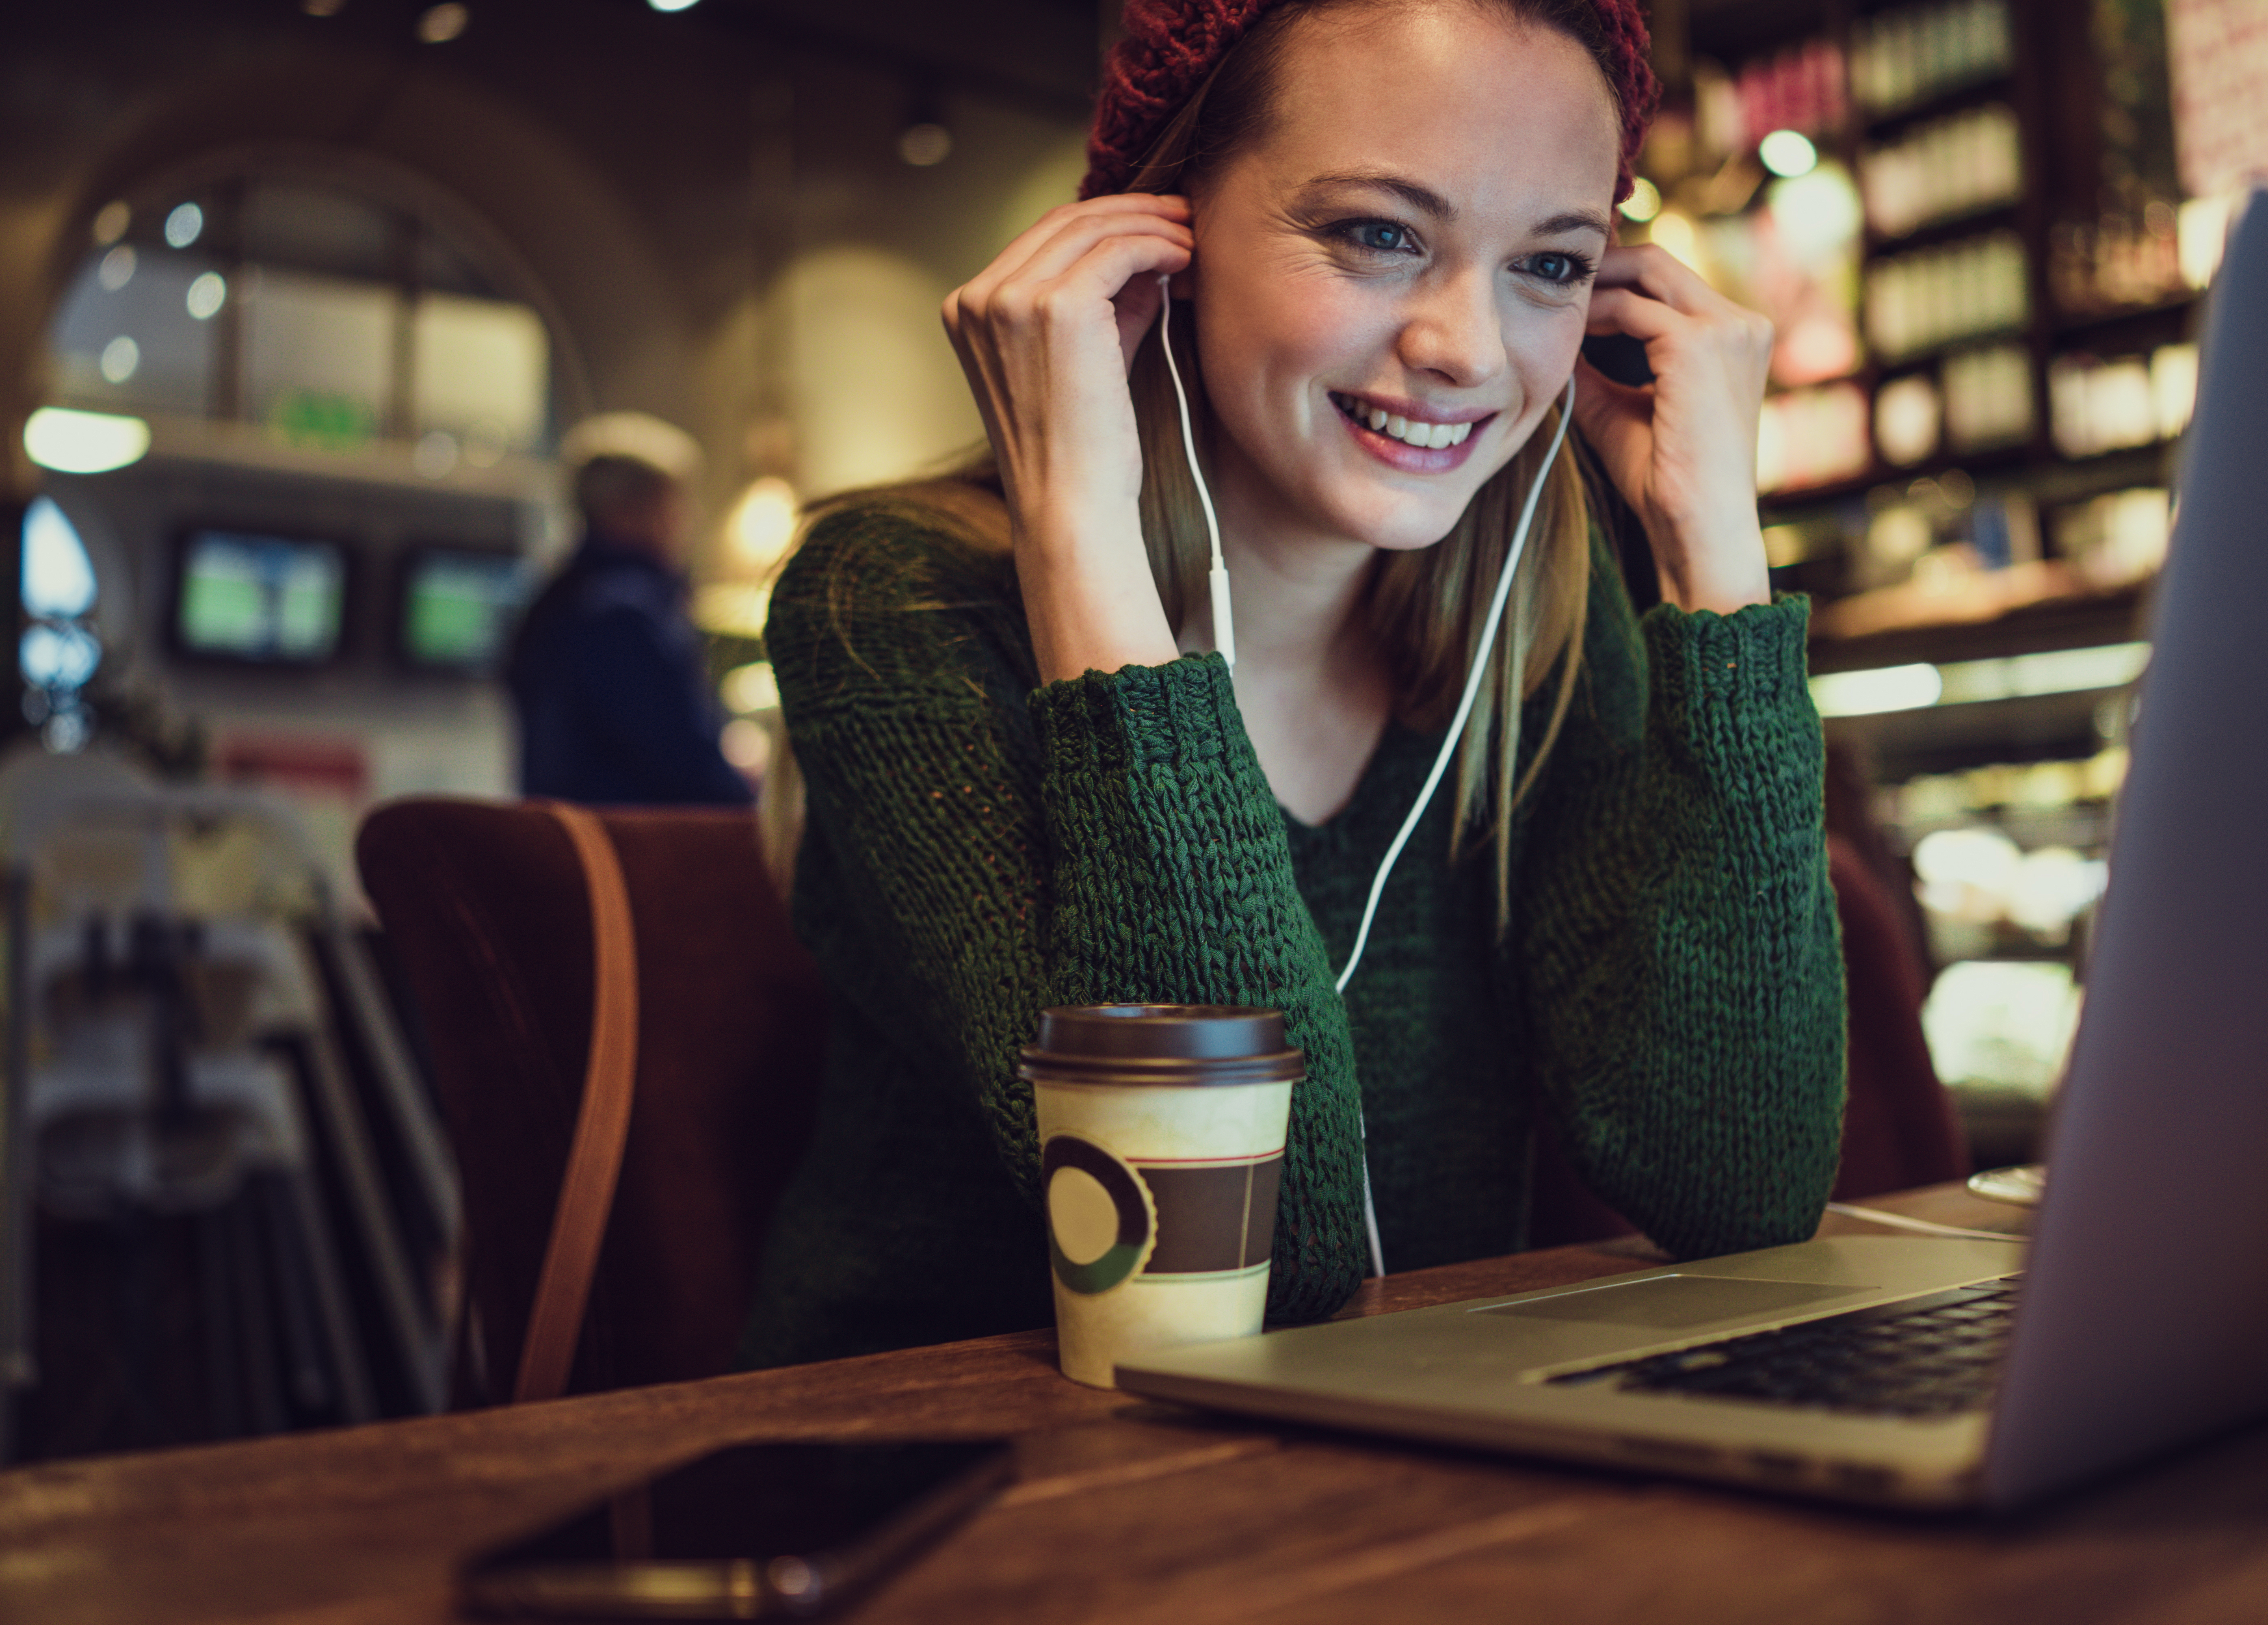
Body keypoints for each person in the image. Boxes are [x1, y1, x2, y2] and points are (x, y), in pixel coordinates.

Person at [739, 0, 1844, 1370]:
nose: (1469, 349)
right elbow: (1257, 1263)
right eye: (1381, 234)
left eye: (1551, 265)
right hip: (961, 1486)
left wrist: (1718, 558)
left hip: (1410, 1474)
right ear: (1165, 231)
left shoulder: (1540, 627)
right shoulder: (893, 598)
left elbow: (1739, 1183)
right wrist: (1078, 529)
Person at [507, 413, 754, 807]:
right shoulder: (623, 617)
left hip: (570, 842)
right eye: (677, 503)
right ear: (630, 511)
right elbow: (683, 762)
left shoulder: (561, 599)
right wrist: (757, 802)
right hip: (628, 851)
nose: (692, 520)